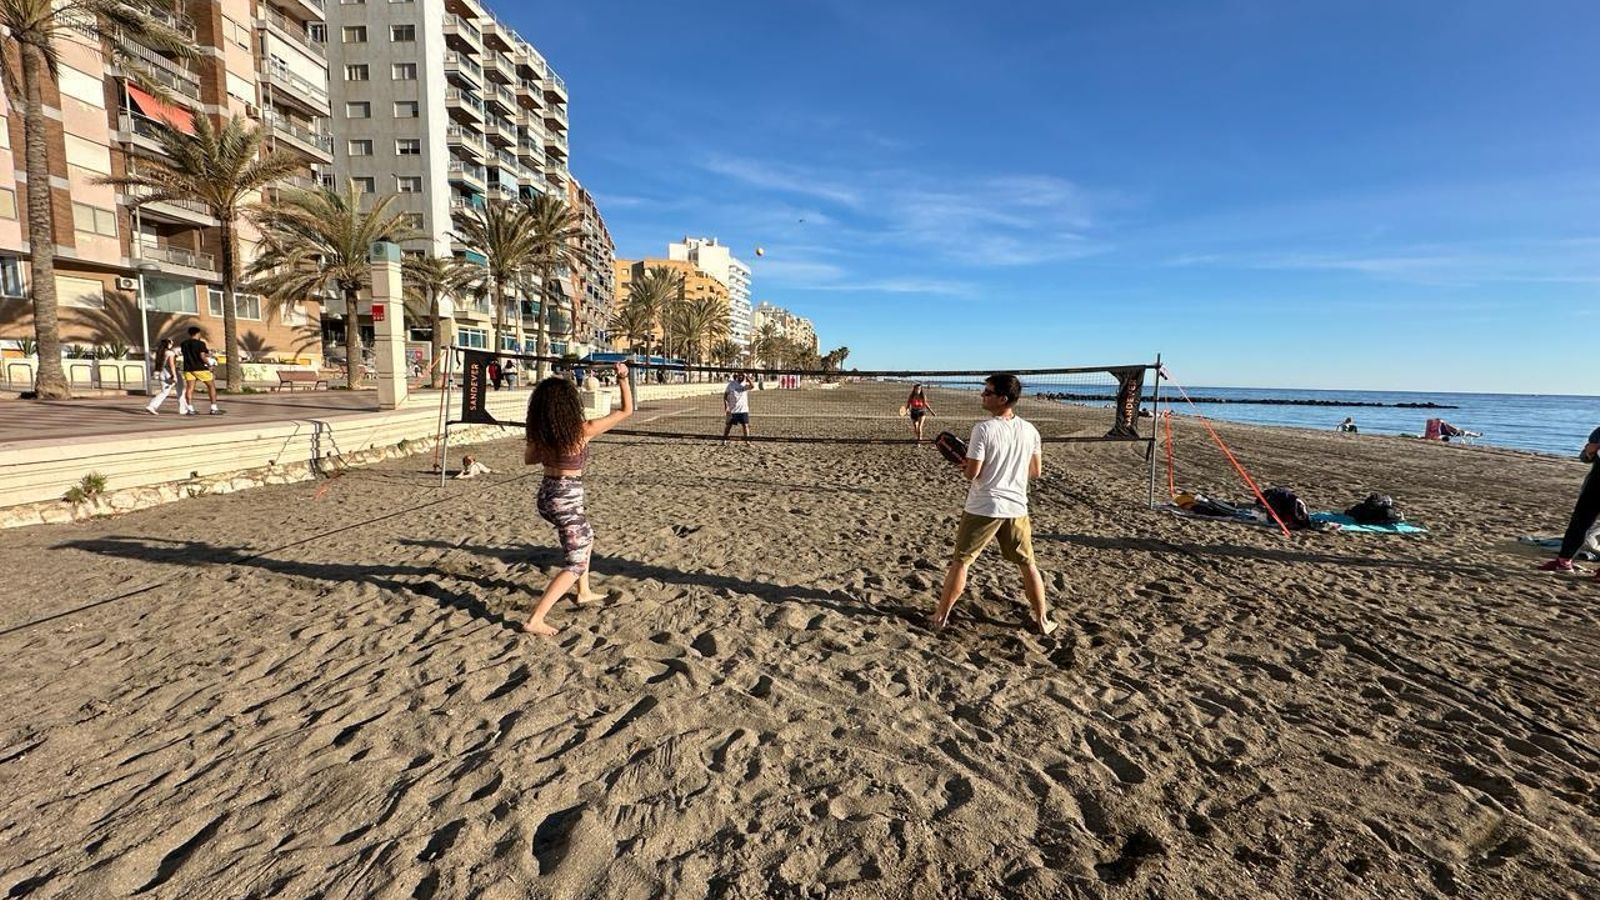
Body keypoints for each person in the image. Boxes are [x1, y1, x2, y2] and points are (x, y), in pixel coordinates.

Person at [928, 373, 1057, 636]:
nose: (982, 395)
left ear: (1003, 398)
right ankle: (1043, 620)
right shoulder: (1030, 430)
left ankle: (940, 617)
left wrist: (966, 465)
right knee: (1028, 565)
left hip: (984, 506)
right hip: (1016, 507)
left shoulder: (984, 429)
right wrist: (1007, 469)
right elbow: (1035, 471)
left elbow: (972, 473)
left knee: (961, 562)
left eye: (988, 392)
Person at [521, 361, 634, 636]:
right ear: (570, 405)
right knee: (575, 563)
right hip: (565, 501)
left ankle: (583, 591)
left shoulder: (542, 434)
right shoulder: (583, 430)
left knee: (587, 536)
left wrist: (541, 441)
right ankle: (536, 619)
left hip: (547, 497)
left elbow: (529, 460)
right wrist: (623, 378)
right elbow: (626, 410)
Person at [1537, 426, 1600, 577]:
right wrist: (1589, 452)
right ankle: (1563, 562)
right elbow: (1584, 457)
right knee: (1579, 524)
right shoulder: (1599, 432)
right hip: (1595, 484)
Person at [179, 326, 222, 416]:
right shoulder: (200, 344)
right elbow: (202, 356)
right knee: (211, 386)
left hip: (188, 368)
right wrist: (210, 364)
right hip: (200, 368)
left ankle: (190, 409)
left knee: (190, 388)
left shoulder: (184, 344)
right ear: (198, 333)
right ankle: (214, 408)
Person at [144, 338, 189, 416]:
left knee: (164, 392)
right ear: (168, 344)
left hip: (162, 373)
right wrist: (174, 376)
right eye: (171, 343)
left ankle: (152, 406)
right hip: (170, 373)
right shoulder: (170, 353)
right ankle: (183, 409)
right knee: (181, 391)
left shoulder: (160, 353)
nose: (172, 345)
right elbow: (172, 365)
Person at [723, 371, 754, 443]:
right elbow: (725, 396)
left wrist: (747, 377)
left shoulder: (744, 384)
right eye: (739, 375)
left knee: (745, 426)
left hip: (743, 409)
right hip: (733, 409)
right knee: (728, 426)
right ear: (737, 376)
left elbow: (752, 386)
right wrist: (726, 407)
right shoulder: (731, 384)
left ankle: (747, 442)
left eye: (742, 375)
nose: (740, 377)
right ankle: (724, 439)